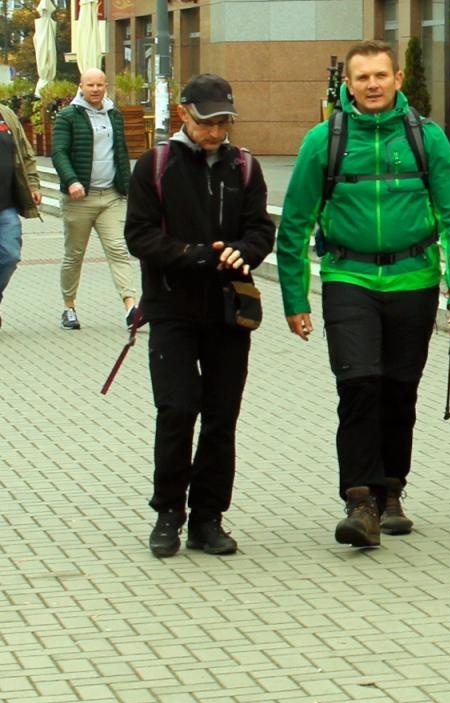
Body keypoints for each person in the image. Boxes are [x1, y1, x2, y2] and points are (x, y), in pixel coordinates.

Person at [276, 40, 450, 547]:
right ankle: (360, 501)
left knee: (399, 389)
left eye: (380, 76)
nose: (372, 85)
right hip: (349, 278)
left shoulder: (427, 139)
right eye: (362, 77)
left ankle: (392, 489)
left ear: (398, 78)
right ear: (348, 83)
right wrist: (295, 299)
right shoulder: (323, 142)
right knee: (359, 384)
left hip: (413, 279)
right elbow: (295, 224)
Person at [124, 74, 276, 557]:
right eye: (207, 122)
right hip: (172, 308)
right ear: (184, 113)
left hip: (228, 311)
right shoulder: (156, 165)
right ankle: (169, 511)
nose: (215, 132)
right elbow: (139, 235)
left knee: (220, 416)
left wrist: (241, 252)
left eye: (223, 122)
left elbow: (260, 232)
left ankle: (209, 517)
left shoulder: (245, 167)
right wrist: (190, 255)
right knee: (176, 409)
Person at [51, 68, 141, 330]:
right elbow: (58, 153)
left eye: (100, 84)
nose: (95, 89)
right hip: (79, 199)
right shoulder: (68, 116)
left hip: (111, 197)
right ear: (80, 86)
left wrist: (128, 186)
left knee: (118, 250)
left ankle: (130, 307)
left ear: (105, 86)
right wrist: (72, 181)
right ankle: (69, 307)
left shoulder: (115, 115)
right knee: (74, 255)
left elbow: (121, 152)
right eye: (90, 85)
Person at [0, 97, 43, 330]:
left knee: (10, 255)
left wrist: (33, 184)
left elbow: (25, 153)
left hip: (5, 204)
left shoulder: (6, 115)